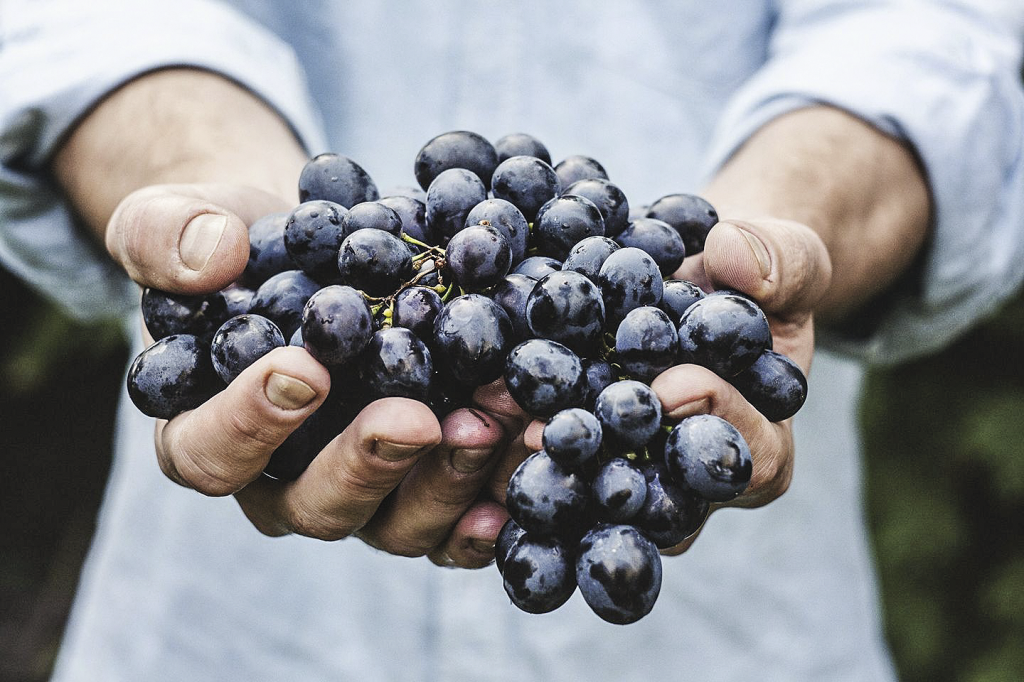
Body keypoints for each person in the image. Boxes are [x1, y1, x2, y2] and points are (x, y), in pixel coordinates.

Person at [1, 1, 1022, 680]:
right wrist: (214, 209)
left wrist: (771, 230)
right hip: (230, 632)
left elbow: (931, 34)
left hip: (730, 633)